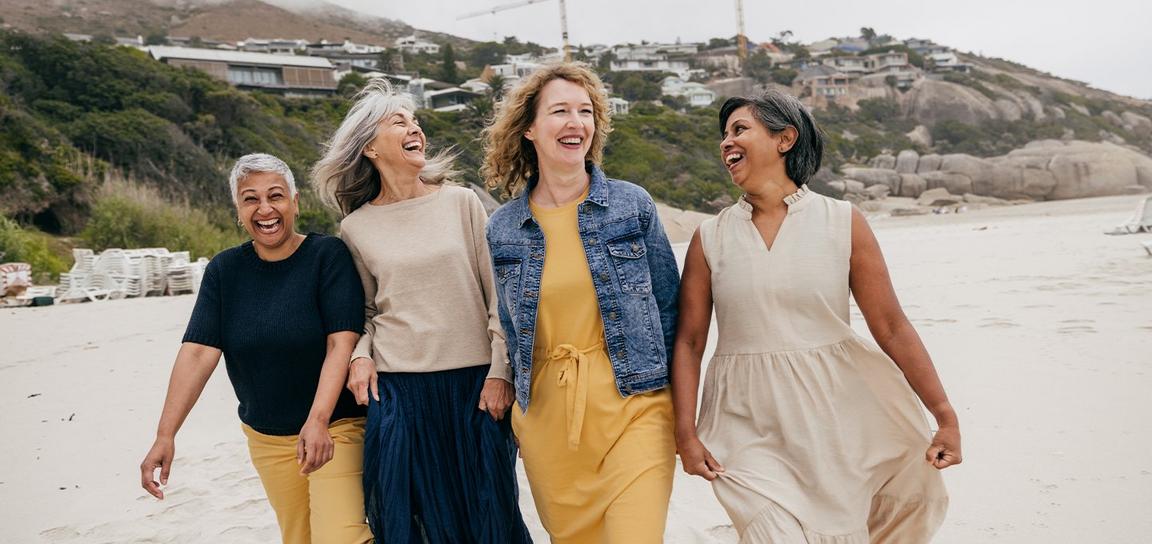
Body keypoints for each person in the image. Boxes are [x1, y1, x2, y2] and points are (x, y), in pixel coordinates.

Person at [671, 90, 961, 542]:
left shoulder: (842, 220)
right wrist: (685, 432)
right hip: (745, 421)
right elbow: (690, 342)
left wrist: (944, 414)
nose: (726, 142)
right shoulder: (710, 237)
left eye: (740, 129)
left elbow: (891, 326)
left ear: (784, 139)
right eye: (724, 135)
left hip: (837, 413)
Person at [311, 80, 531, 543]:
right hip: (398, 391)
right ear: (369, 147)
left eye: (415, 121)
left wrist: (501, 371)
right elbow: (365, 310)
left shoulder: (461, 203)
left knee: (489, 518)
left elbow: (499, 297)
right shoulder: (356, 227)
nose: (415, 129)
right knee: (408, 520)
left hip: (474, 387)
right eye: (399, 122)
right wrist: (360, 356)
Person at [481, 63, 680, 543]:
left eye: (585, 111)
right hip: (549, 424)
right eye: (560, 111)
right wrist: (505, 386)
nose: (576, 123)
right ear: (529, 128)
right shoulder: (503, 228)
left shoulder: (632, 205)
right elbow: (510, 326)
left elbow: (671, 311)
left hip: (636, 407)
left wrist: (686, 410)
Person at [139, 153, 372, 544]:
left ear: (295, 202)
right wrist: (166, 435)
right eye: (251, 199)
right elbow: (198, 352)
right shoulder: (224, 271)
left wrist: (318, 420)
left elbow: (341, 343)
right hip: (267, 437)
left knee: (341, 537)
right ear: (238, 210)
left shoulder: (327, 256)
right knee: (299, 538)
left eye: (275, 196)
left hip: (336, 427)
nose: (265, 209)